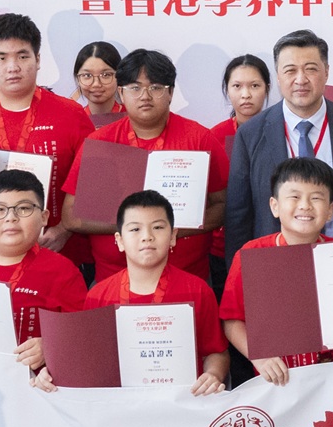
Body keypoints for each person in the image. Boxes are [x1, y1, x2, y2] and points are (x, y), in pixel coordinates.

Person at [59, 48, 229, 282]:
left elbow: (222, 205)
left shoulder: (199, 138)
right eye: (135, 88)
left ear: (170, 93)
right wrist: (135, 227)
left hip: (186, 278)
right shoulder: (100, 142)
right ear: (121, 92)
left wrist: (166, 229)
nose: (145, 96)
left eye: (156, 87)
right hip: (113, 279)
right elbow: (70, 217)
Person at [0, 14, 95, 264]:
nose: (13, 67)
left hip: (59, 253)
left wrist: (65, 230)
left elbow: (90, 186)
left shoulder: (72, 115)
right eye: (1, 57)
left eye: (23, 56)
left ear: (38, 60)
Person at [222, 30, 333, 258]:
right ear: (278, 77)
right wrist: (242, 276)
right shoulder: (251, 134)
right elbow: (238, 215)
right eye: (290, 71)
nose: (301, 79)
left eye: (311, 69)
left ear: (326, 72)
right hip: (273, 262)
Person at [221, 158, 333, 382]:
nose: (305, 205)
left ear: (330, 210)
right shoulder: (252, 255)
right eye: (295, 197)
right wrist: (260, 358)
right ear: (274, 206)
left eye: (316, 198)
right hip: (279, 378)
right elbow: (232, 320)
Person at [57, 191, 227, 395]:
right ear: (119, 240)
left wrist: (213, 375)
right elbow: (91, 360)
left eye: (158, 227)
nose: (147, 236)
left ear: (173, 236)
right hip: (121, 406)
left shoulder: (198, 290)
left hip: (183, 402)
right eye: (135, 229)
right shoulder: (99, 296)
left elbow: (217, 352)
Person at [0, 169, 89, 379]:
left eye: (24, 208)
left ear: (44, 217)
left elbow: (84, 334)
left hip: (36, 385)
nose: (11, 218)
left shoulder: (62, 271)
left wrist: (51, 347)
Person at [211, 54, 271, 151]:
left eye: (254, 86)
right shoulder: (215, 137)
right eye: (237, 86)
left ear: (267, 89)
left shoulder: (280, 131)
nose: (246, 95)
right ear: (227, 90)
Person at [71, 40, 123, 130]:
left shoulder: (134, 119)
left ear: (119, 76)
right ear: (78, 78)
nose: (96, 84)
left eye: (106, 75)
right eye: (87, 75)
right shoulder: (73, 121)